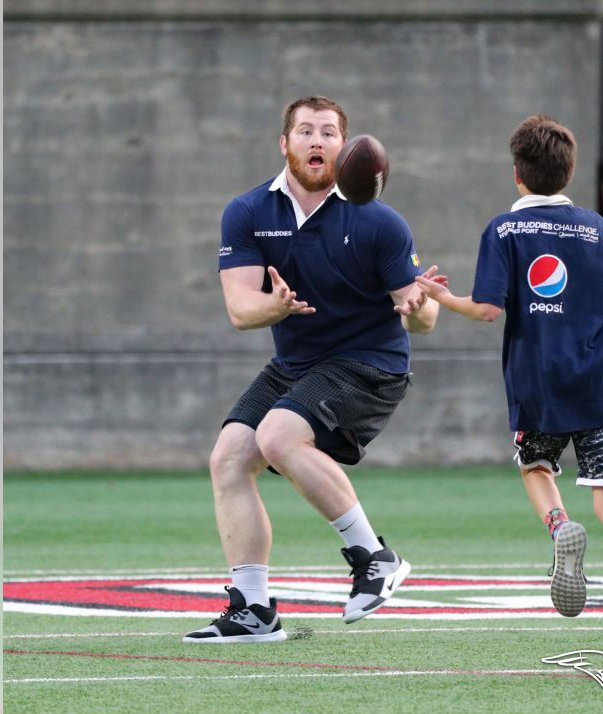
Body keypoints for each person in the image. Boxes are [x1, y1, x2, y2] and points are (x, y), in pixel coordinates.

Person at [415, 116, 603, 676]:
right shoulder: (598, 231)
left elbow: (487, 309)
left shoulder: (502, 232)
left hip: (539, 386)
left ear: (517, 175)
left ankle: (560, 528)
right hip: (602, 388)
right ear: (570, 172)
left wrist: (444, 295)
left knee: (536, 465)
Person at [185, 96, 441, 643]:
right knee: (229, 457)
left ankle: (375, 557)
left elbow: (424, 317)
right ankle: (253, 611)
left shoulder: (378, 221)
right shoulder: (249, 211)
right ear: (285, 144)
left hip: (369, 363)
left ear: (345, 150)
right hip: (296, 364)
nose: (317, 140)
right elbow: (239, 308)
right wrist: (274, 308)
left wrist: (419, 307)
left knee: (278, 435)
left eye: (329, 132)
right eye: (305, 131)